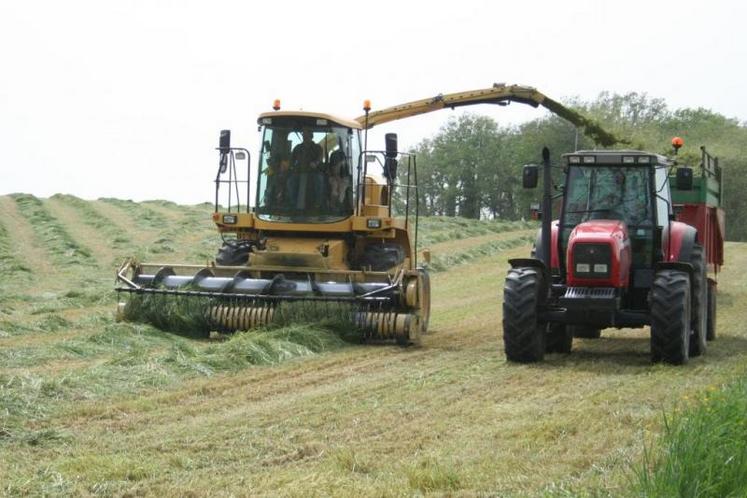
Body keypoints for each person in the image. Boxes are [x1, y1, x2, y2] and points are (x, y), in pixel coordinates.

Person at [288, 128, 324, 210]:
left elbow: (320, 158)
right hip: (299, 172)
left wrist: (315, 163)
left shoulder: (317, 148)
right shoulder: (297, 148)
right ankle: (292, 203)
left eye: (306, 135)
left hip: (314, 172)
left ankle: (318, 203)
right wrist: (291, 166)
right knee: (290, 181)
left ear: (311, 136)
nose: (305, 137)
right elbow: (292, 160)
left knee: (319, 180)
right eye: (303, 135)